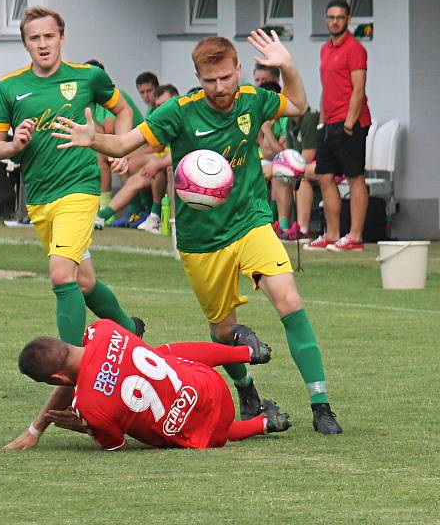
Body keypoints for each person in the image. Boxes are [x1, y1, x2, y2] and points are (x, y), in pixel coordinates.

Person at [52, 32, 343, 434]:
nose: (220, 88)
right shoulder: (178, 111)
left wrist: (287, 65)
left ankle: (321, 404)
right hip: (201, 241)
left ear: (239, 70)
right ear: (198, 77)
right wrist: (94, 139)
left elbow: (298, 104)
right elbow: (125, 143)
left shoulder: (252, 100)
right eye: (210, 81)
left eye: (226, 77)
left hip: (251, 220)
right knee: (223, 331)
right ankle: (246, 389)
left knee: (289, 300)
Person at [0, 6, 143, 449]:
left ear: (61, 37)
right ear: (25, 43)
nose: (42, 43)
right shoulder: (9, 88)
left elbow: (124, 109)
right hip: (39, 199)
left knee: (61, 274)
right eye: (34, 37)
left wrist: (119, 149)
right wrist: (15, 144)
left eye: (49, 36)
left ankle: (75, 370)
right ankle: (131, 332)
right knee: (85, 281)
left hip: (79, 189)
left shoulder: (87, 77)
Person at [17, 319, 291, 450]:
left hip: (205, 433)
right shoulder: (102, 329)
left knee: (194, 426)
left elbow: (118, 446)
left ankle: (262, 423)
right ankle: (245, 353)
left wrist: (86, 426)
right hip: (210, 384)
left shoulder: (89, 406)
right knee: (161, 353)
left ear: (56, 379)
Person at [305, 0, 372, 252]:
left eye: (340, 17)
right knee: (324, 176)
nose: (335, 21)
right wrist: (322, 122)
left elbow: (358, 89)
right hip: (329, 123)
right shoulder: (325, 49)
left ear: (348, 19)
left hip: (350, 123)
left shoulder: (355, 49)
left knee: (355, 177)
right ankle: (332, 234)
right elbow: (327, 88)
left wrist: (349, 123)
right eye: (331, 17)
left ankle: (354, 237)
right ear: (326, 19)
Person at [95, 84, 179, 234]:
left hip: (178, 167)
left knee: (157, 166)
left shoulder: (182, 117)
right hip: (162, 167)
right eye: (158, 106)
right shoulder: (162, 119)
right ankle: (103, 216)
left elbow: (164, 149)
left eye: (165, 104)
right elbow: (151, 144)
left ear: (176, 101)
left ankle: (152, 215)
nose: (161, 109)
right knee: (136, 170)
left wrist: (158, 162)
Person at [83, 59, 145, 211]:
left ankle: (106, 208)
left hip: (140, 147)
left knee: (105, 156)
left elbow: (107, 132)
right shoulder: (93, 100)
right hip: (125, 147)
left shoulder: (113, 96)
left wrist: (82, 114)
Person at [271, 107, 320, 242]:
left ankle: (302, 229)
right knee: (280, 174)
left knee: (297, 174)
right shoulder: (289, 123)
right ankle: (283, 227)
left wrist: (287, 165)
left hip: (324, 164)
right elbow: (290, 154)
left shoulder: (309, 118)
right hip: (308, 166)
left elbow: (308, 156)